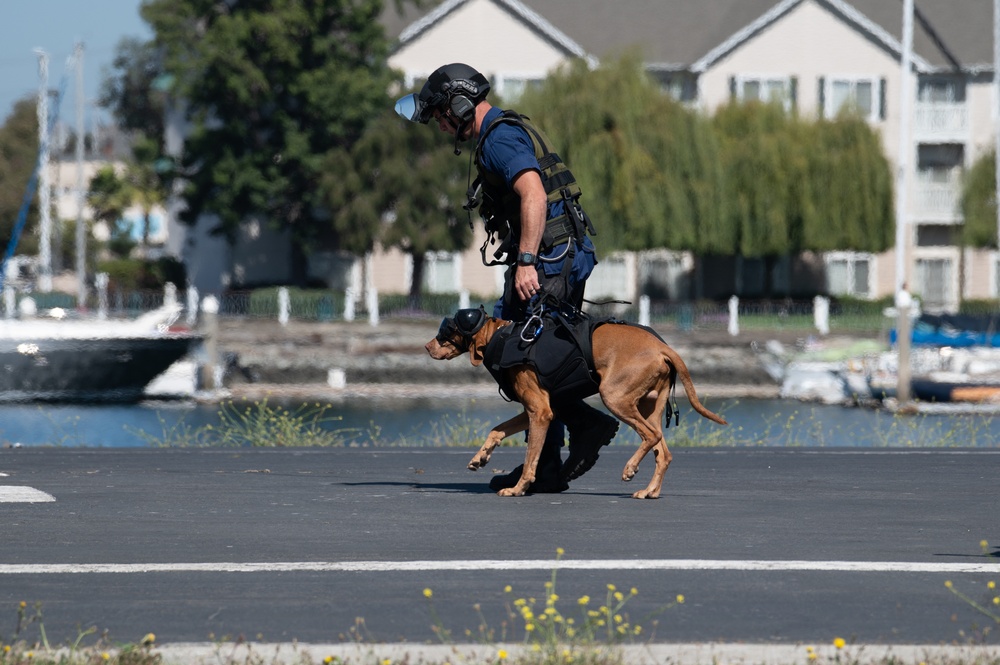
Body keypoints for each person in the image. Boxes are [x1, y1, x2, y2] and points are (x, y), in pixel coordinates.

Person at [396, 63, 618, 493]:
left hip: (549, 261)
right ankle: (550, 463)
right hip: (554, 257)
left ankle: (573, 440)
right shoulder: (500, 131)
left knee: (519, 355)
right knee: (521, 354)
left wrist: (529, 261)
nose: (442, 127)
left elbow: (532, 191)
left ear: (460, 106)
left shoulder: (499, 138)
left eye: (441, 116)